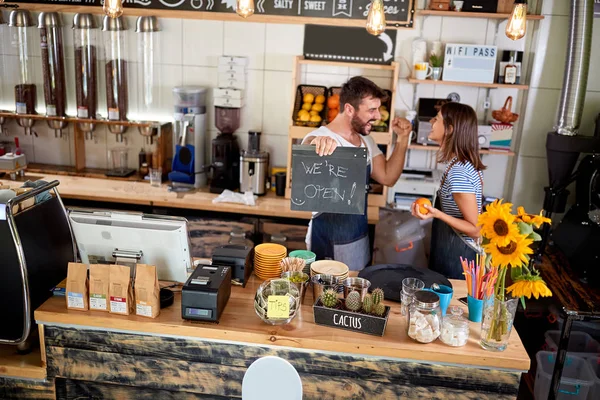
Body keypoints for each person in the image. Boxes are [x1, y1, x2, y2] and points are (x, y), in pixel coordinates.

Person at [302, 76, 412, 271]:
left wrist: (403, 140)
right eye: (372, 110)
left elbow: (388, 177)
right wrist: (317, 146)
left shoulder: (365, 141)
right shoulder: (322, 137)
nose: (378, 116)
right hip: (329, 240)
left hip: (359, 237)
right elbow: (310, 145)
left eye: (378, 109)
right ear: (349, 109)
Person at [410, 102, 486, 279]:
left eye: (436, 119)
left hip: (459, 261)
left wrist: (437, 214)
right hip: (451, 255)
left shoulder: (459, 172)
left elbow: (475, 229)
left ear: (450, 129)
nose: (430, 121)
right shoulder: (458, 164)